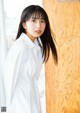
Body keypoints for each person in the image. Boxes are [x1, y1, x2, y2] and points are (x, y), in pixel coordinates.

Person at [4, 5, 58, 113]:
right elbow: (8, 81)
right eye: (33, 20)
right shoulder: (20, 47)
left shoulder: (35, 47)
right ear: (24, 24)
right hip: (19, 104)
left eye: (42, 21)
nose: (39, 25)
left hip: (32, 100)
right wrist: (3, 109)